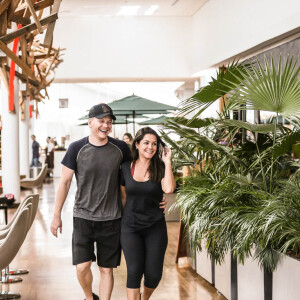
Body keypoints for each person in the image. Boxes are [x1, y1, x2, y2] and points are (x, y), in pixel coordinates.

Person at [50, 104, 166, 300]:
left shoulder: (121, 148)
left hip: (112, 219)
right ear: (90, 122)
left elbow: (139, 168)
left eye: (109, 122)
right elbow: (65, 182)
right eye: (101, 121)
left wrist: (155, 198)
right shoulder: (76, 148)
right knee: (82, 266)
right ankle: (89, 297)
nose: (106, 125)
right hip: (82, 216)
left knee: (106, 270)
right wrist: (56, 215)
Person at [120, 127, 176, 300]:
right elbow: (123, 198)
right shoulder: (124, 168)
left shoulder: (160, 167)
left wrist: (167, 162)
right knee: (134, 273)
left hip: (155, 227)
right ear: (137, 144)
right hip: (131, 228)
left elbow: (168, 188)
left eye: (154, 144)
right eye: (146, 143)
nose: (150, 147)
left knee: (153, 275)